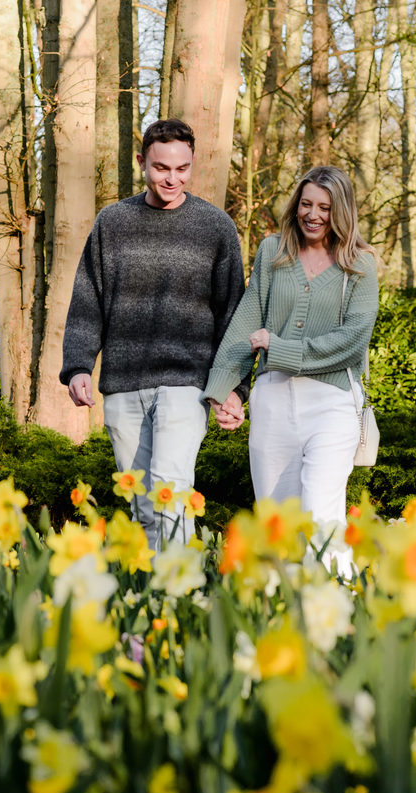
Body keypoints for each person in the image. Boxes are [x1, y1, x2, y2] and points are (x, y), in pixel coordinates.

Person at [60, 118, 247, 551]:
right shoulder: (113, 223)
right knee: (142, 505)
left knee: (171, 494)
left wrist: (234, 387)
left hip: (187, 382)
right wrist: (78, 366)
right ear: (143, 161)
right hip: (124, 383)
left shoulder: (216, 227)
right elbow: (89, 298)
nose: (173, 178)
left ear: (192, 163)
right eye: (162, 167)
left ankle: (178, 600)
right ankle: (149, 609)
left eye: (183, 168)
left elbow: (233, 314)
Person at [202, 165, 379, 575]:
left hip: (332, 403)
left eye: (324, 207)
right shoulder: (272, 251)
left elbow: (353, 341)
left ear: (342, 212)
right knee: (277, 520)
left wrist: (279, 347)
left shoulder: (360, 265)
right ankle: (281, 613)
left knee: (321, 513)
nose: (312, 215)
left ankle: (338, 610)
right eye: (306, 204)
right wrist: (224, 390)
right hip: (273, 401)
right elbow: (247, 323)